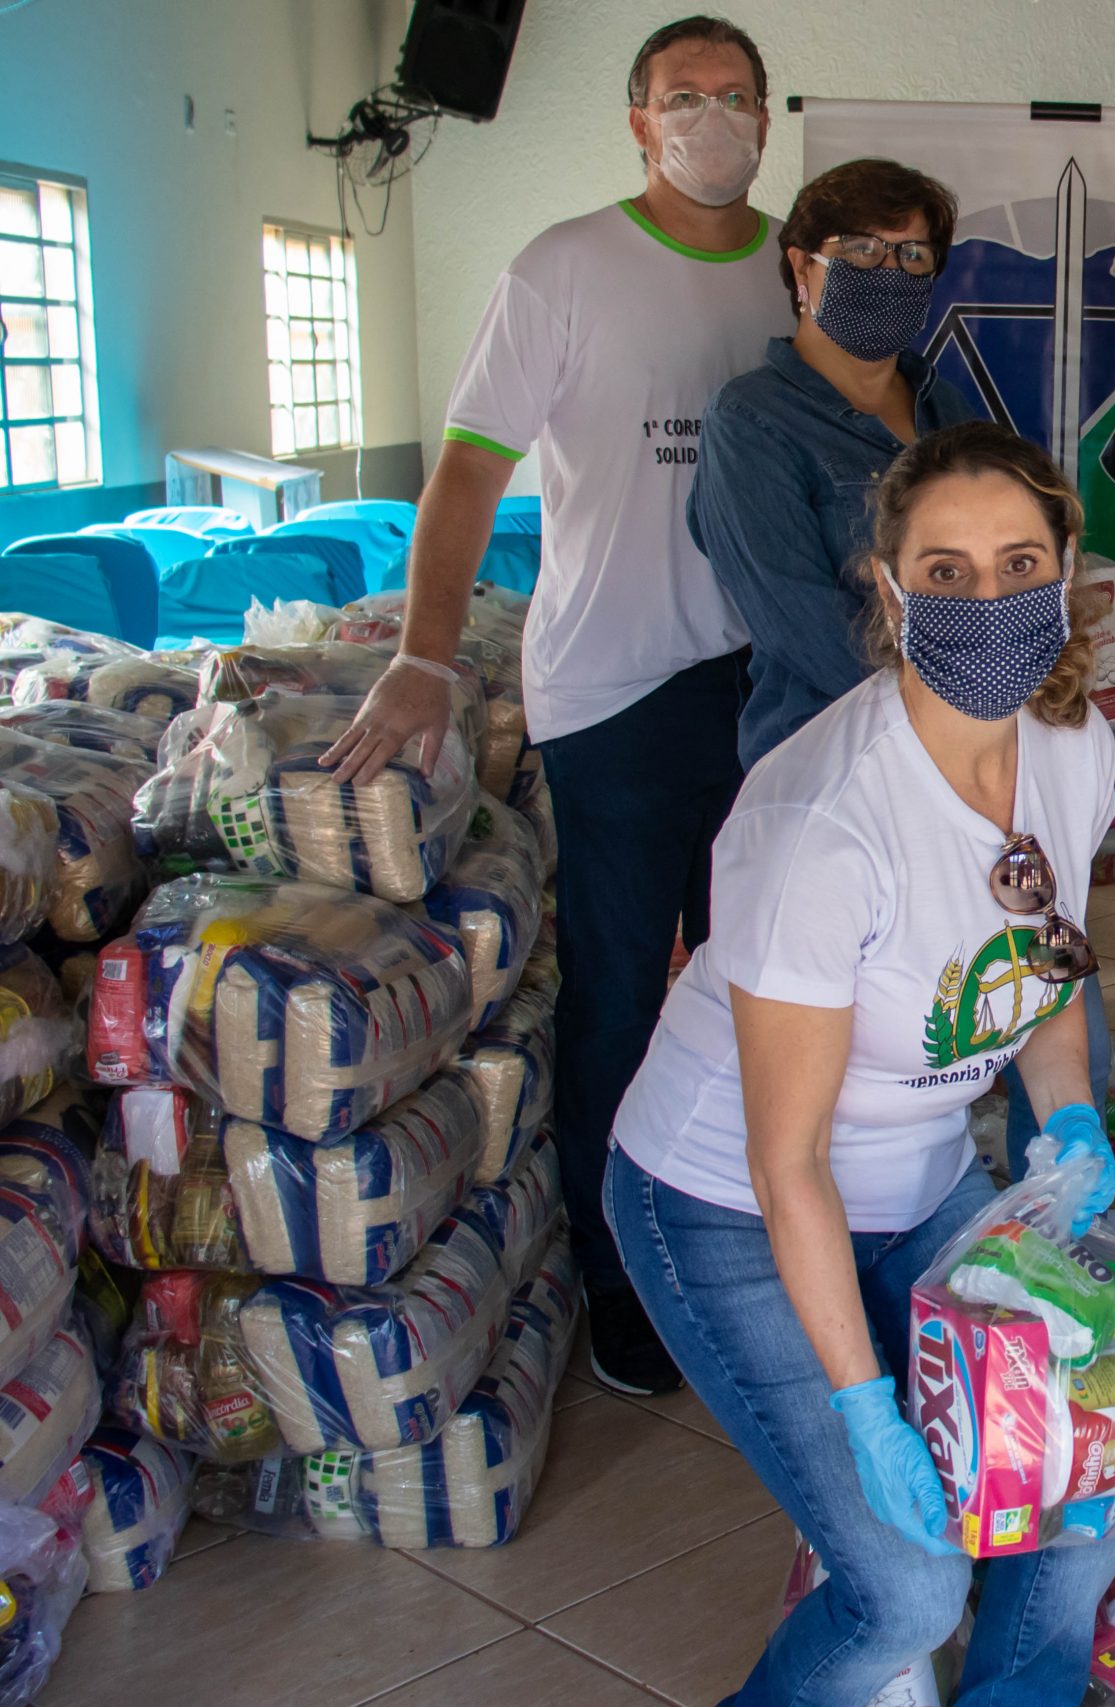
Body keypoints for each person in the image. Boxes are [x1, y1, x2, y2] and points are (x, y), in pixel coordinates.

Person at [607, 422, 1115, 1706]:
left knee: (1077, 1480)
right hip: (726, 1204)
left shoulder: (1072, 749)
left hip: (922, 1178)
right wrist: (865, 1405)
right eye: (947, 573)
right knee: (906, 1591)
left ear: (1066, 567)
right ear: (891, 593)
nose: (988, 599)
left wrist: (1068, 1119)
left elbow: (1048, 967)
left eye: (1019, 564)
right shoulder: (822, 819)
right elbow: (787, 1164)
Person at [325, 14, 790, 1395]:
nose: (711, 118)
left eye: (735, 96)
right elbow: (468, 469)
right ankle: (621, 1278)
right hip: (615, 689)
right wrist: (426, 653)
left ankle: (750, 1240)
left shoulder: (796, 271)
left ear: (769, 118)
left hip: (765, 686)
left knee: (766, 987)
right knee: (620, 999)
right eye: (682, 97)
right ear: (638, 122)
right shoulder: (565, 267)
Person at [688, 155, 1113, 1177]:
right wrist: (955, 713)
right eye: (862, 252)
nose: (890, 271)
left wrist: (1010, 690)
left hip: (983, 772)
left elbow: (1002, 574)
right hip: (848, 778)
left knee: (1059, 1028)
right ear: (802, 267)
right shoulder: (753, 419)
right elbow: (793, 617)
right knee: (862, 1072)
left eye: (913, 255)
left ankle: (1038, 1221)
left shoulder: (947, 401)